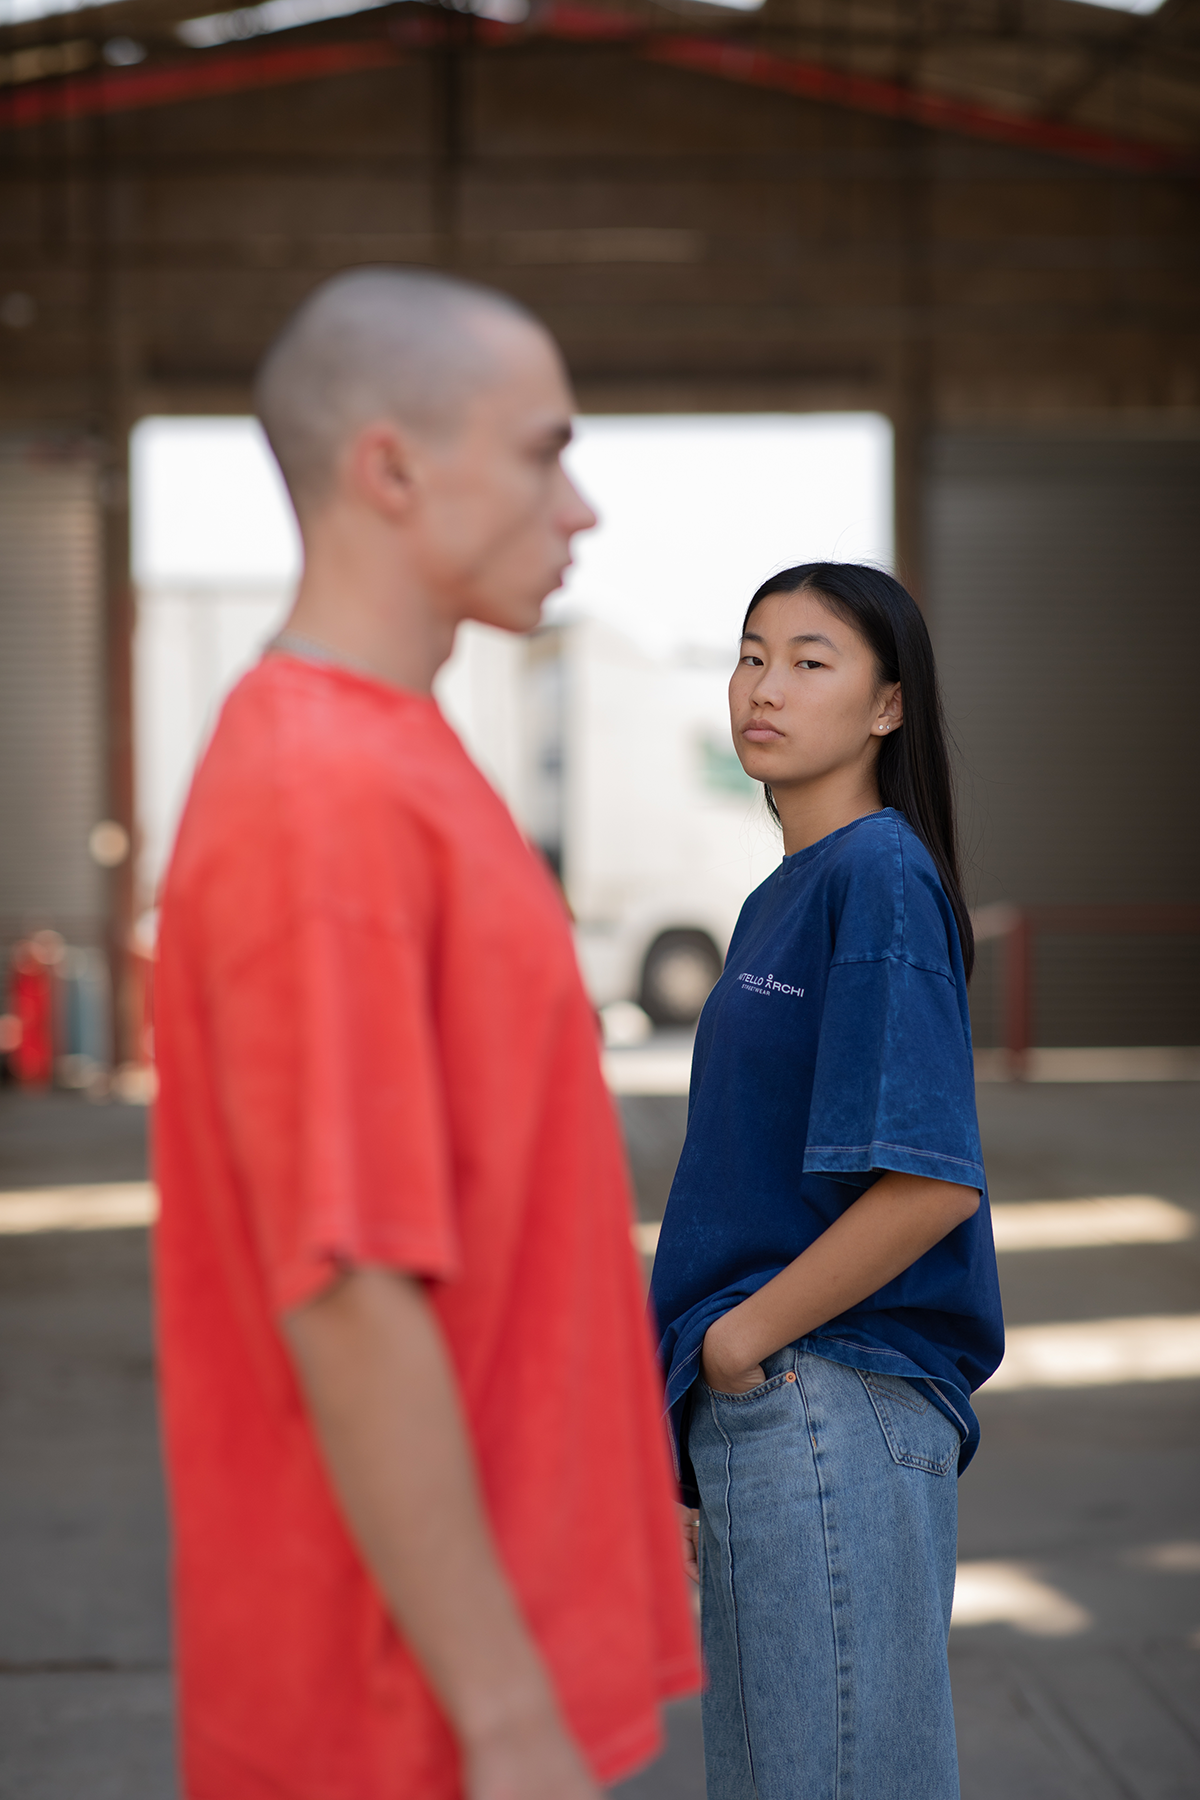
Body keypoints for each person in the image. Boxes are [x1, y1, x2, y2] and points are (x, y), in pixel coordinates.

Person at [153, 267, 699, 1800]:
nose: (580, 506)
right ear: (389, 468)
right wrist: (506, 1717)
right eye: (543, 451)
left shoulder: (402, 754)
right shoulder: (319, 798)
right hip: (399, 1719)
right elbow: (348, 1287)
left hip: (466, 1678)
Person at [649, 563, 1004, 1800]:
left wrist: (744, 1349)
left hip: (825, 1400)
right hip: (765, 1416)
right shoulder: (780, 900)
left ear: (887, 707)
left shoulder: (879, 876)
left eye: (811, 661)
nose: (765, 686)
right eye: (752, 655)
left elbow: (928, 1183)